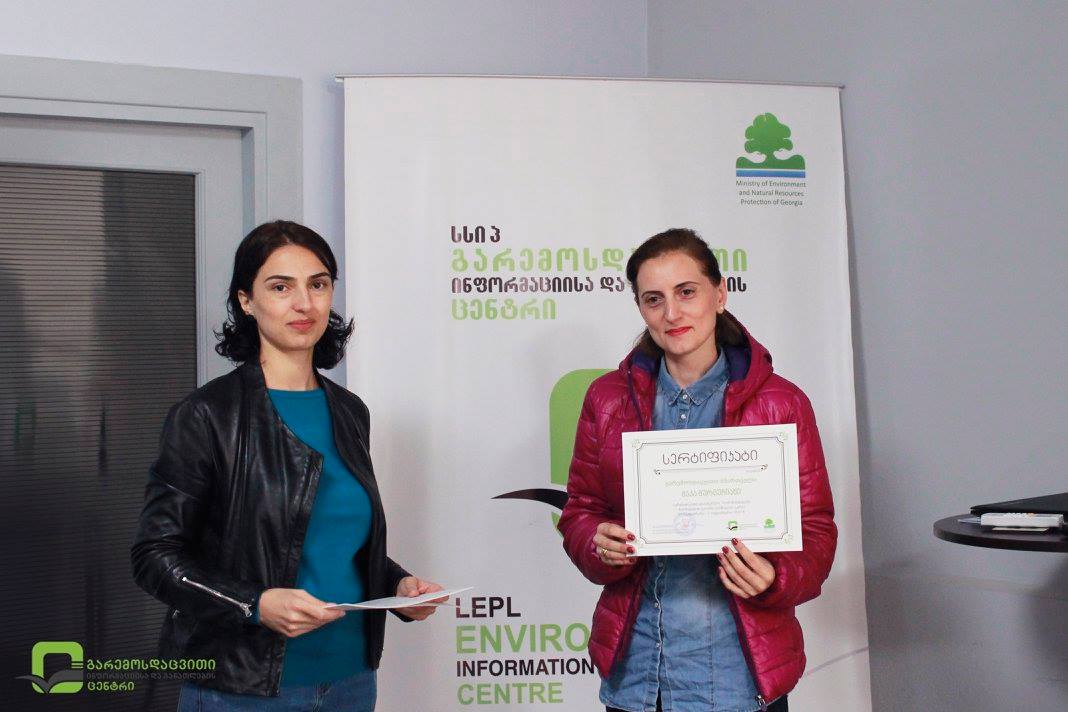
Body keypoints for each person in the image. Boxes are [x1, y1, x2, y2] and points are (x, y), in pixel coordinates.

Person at [132, 221, 443, 711]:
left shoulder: (349, 411)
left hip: (350, 679)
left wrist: (398, 585)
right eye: (281, 287)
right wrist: (255, 604)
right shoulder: (207, 415)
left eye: (318, 285)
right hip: (242, 688)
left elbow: (330, 545)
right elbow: (155, 556)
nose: (304, 303)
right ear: (246, 301)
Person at [558, 228, 837, 712]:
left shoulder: (782, 403)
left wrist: (775, 578)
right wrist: (599, 544)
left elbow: (815, 530)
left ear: (720, 293)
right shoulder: (606, 399)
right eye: (653, 299)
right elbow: (581, 511)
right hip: (637, 677)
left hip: (736, 680)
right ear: (640, 309)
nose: (672, 313)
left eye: (686, 292)